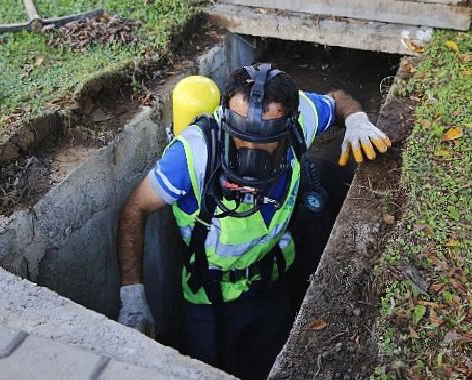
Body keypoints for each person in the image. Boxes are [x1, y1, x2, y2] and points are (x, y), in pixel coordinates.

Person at [115, 63, 390, 379]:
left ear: (288, 125)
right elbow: (134, 208)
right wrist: (132, 294)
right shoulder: (193, 154)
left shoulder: (301, 119)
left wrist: (357, 121)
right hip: (209, 301)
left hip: (270, 287)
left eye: (265, 141)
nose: (250, 157)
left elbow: (339, 99)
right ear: (224, 119)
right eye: (241, 139)